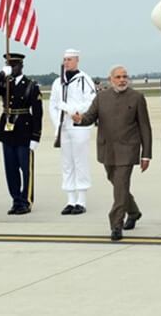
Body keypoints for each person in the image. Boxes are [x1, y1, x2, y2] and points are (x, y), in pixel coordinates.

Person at [72, 65, 151, 241]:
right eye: (118, 77)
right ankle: (134, 211)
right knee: (118, 185)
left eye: (125, 76)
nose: (122, 79)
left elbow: (145, 127)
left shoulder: (137, 97)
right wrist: (80, 119)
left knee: (121, 185)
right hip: (107, 149)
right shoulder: (101, 97)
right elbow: (89, 118)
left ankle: (116, 224)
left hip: (128, 149)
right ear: (110, 79)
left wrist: (146, 154)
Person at [0, 53, 42, 215]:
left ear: (21, 66)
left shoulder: (31, 85)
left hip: (24, 130)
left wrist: (36, 136)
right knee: (10, 169)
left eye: (13, 66)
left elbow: (38, 113)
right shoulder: (5, 83)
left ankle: (26, 201)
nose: (11, 69)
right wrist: (2, 74)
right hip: (7, 131)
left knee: (26, 169)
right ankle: (16, 200)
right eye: (8, 66)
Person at [49, 49, 97, 215]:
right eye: (64, 60)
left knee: (80, 162)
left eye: (69, 59)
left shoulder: (84, 79)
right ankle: (70, 199)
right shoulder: (58, 82)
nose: (66, 62)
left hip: (79, 125)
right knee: (67, 163)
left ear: (77, 60)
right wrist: (57, 124)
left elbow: (91, 101)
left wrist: (74, 111)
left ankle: (81, 200)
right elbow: (53, 105)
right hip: (63, 127)